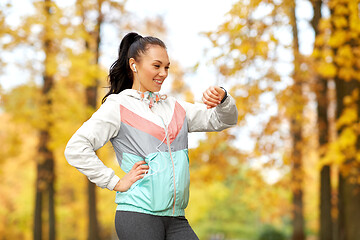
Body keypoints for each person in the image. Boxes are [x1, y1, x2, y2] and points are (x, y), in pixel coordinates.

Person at [64, 32, 238, 240]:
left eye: (167, 67)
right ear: (134, 65)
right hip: (138, 215)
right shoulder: (118, 107)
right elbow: (76, 148)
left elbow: (221, 120)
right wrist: (114, 182)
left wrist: (223, 99)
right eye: (157, 66)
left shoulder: (175, 107)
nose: (163, 73)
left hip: (176, 218)